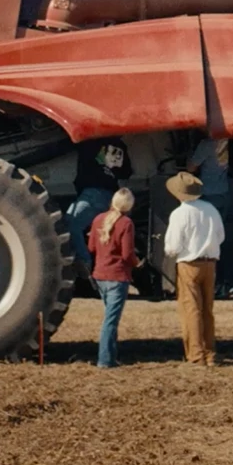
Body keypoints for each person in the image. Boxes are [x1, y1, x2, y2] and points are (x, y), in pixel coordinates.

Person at [163, 171, 225, 366]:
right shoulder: (211, 209)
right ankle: (210, 354)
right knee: (207, 309)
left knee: (191, 310)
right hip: (210, 263)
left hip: (189, 264)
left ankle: (196, 356)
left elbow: (173, 246)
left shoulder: (179, 213)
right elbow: (220, 236)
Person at [87, 187, 141, 368]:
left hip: (100, 275)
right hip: (117, 276)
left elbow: (92, 248)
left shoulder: (98, 220)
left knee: (110, 318)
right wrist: (137, 263)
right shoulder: (126, 223)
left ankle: (111, 355)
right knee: (110, 321)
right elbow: (127, 254)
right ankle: (105, 360)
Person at [67, 137, 133, 272]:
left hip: (92, 193)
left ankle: (85, 263)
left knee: (71, 223)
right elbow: (126, 172)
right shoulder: (119, 145)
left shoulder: (88, 140)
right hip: (112, 196)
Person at [187, 137, 230, 220]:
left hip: (208, 194)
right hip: (224, 192)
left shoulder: (207, 144)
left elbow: (191, 168)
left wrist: (189, 156)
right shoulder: (225, 141)